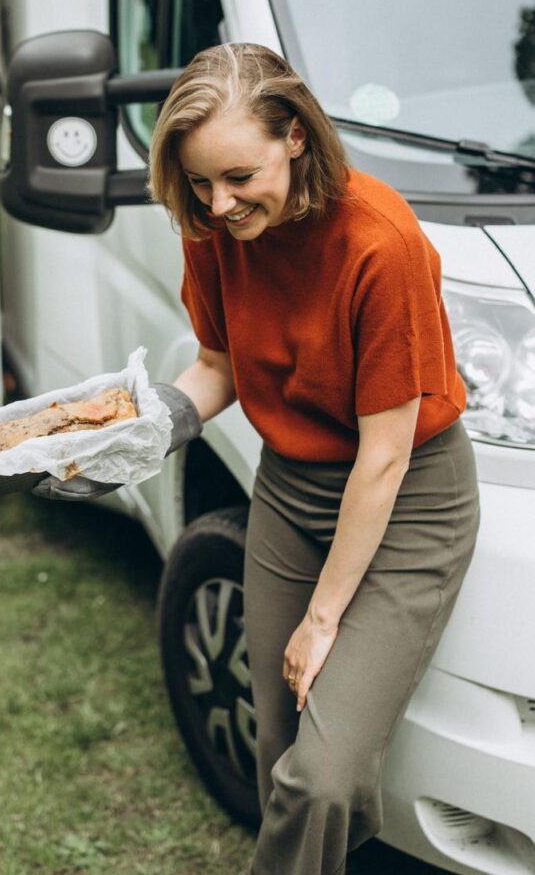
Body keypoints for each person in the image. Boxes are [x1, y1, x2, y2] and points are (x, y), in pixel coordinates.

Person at [37, 42, 480, 875]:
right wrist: (129, 437)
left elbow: (383, 456)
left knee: (317, 777)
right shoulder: (213, 227)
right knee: (279, 742)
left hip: (407, 498)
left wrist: (322, 622)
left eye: (237, 177)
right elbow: (217, 367)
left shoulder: (378, 243)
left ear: (296, 138)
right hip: (293, 487)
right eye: (200, 183)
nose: (219, 203)